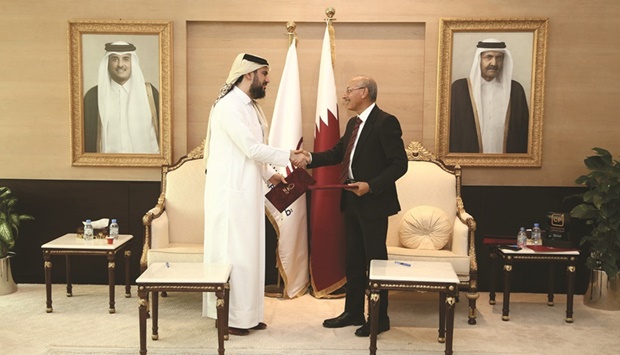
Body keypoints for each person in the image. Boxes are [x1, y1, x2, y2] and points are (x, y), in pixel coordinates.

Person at [201, 53, 307, 336]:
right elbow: (250, 148)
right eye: (264, 73)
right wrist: (289, 156)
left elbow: (253, 152)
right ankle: (228, 317)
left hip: (248, 192)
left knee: (250, 254)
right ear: (248, 74)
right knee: (232, 255)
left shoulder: (250, 107)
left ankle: (247, 315)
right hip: (230, 196)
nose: (268, 80)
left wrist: (269, 173)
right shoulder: (228, 107)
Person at [301, 75, 408, 337]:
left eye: (349, 90)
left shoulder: (386, 122)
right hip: (349, 198)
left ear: (365, 92)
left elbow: (399, 164)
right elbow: (338, 154)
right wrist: (309, 158)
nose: (345, 95)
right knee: (353, 260)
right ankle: (353, 312)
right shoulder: (353, 123)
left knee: (375, 262)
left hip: (373, 202)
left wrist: (370, 185)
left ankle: (380, 318)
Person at [449, 38, 529, 153]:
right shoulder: (459, 89)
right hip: (468, 164)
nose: (494, 63)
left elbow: (524, 133)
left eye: (499, 58)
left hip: (507, 165)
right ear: (479, 59)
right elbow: (451, 131)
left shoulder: (516, 90)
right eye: (488, 57)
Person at [83, 41, 160, 154]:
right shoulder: (93, 96)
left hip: (145, 167)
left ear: (133, 62)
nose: (120, 65)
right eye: (114, 59)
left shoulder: (150, 93)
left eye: (126, 59)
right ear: (107, 64)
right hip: (106, 168)